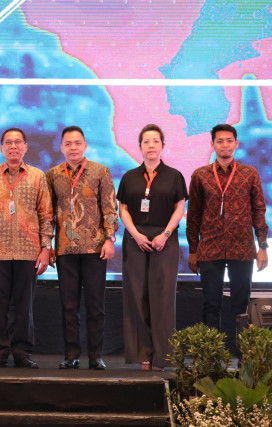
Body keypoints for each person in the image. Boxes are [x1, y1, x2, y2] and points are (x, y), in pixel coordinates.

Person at [0, 128, 53, 369]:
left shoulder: (37, 177)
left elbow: (46, 215)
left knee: (24, 307)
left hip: (28, 252)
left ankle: (22, 353)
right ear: (1, 149)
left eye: (18, 142)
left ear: (25, 147)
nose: (13, 147)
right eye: (8, 143)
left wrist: (45, 248)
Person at [46, 125, 118, 370]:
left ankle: (96, 356)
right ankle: (71, 355)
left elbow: (109, 208)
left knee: (96, 305)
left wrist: (110, 238)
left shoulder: (100, 171)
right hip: (65, 250)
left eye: (77, 143)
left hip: (95, 248)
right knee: (69, 305)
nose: (73, 147)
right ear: (61, 147)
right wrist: (48, 244)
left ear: (85, 146)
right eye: (68, 143)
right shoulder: (53, 174)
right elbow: (48, 214)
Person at [117, 124, 187, 371]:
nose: (151, 146)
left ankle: (162, 356)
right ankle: (143, 354)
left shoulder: (174, 176)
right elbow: (123, 209)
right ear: (140, 147)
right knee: (137, 296)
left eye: (155, 141)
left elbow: (180, 207)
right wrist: (135, 234)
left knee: (163, 297)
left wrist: (165, 234)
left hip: (164, 240)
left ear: (163, 146)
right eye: (146, 142)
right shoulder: (129, 177)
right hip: (136, 240)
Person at [187, 124, 268, 333]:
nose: (225, 145)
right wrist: (193, 250)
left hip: (241, 248)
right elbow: (193, 215)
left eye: (229, 140)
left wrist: (262, 246)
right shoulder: (200, 175)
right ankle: (211, 358)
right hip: (209, 248)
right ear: (212, 144)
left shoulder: (249, 174)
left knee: (241, 305)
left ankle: (244, 359)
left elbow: (259, 210)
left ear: (236, 143)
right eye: (220, 141)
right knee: (211, 304)